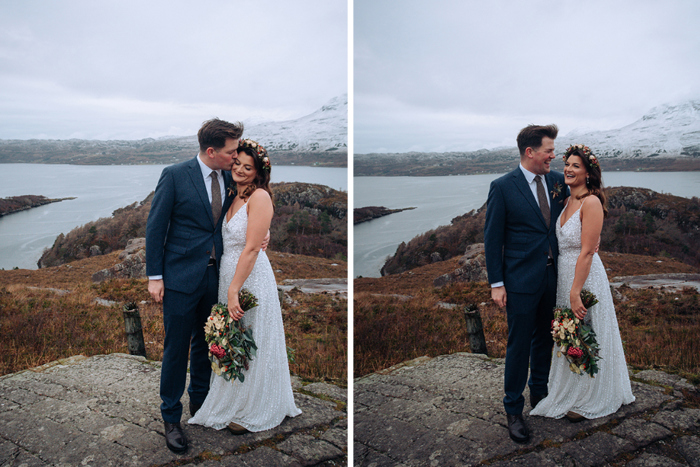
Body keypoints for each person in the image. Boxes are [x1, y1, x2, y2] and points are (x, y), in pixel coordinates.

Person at [188, 139, 301, 433]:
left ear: (258, 173)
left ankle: (253, 405)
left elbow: (251, 249)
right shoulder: (231, 193)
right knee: (234, 337)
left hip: (249, 278)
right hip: (229, 275)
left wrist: (234, 290)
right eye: (236, 162)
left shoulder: (260, 196)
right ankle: (234, 397)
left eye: (247, 167)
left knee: (254, 337)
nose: (238, 169)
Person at [146, 118, 244, 454]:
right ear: (212, 151)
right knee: (176, 350)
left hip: (216, 278)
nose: (236, 155)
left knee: (208, 344)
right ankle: (170, 418)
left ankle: (201, 408)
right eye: (231, 151)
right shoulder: (174, 175)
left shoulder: (231, 176)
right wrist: (155, 277)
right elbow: (155, 228)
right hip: (179, 277)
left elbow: (242, 212)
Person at [530, 144, 634, 421]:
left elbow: (587, 250)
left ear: (588, 173)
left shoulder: (591, 202)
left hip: (585, 277)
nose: (569, 169)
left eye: (576, 166)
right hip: (564, 274)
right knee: (570, 334)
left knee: (590, 331)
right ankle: (572, 388)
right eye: (567, 164)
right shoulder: (565, 201)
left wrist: (576, 291)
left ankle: (592, 393)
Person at [484, 124, 567, 443]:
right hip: (518, 280)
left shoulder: (558, 181)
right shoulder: (503, 187)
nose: (553, 155)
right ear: (530, 152)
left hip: (553, 276)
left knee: (546, 338)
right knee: (519, 345)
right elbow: (492, 239)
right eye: (549, 150)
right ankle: (513, 410)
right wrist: (497, 283)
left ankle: (541, 397)